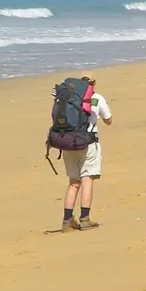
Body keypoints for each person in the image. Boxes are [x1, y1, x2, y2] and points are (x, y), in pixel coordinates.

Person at [60, 73, 112, 232]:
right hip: (88, 142)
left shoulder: (68, 98)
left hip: (68, 142)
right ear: (93, 83)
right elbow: (108, 120)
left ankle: (67, 220)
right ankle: (84, 218)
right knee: (87, 179)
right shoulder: (97, 98)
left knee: (73, 183)